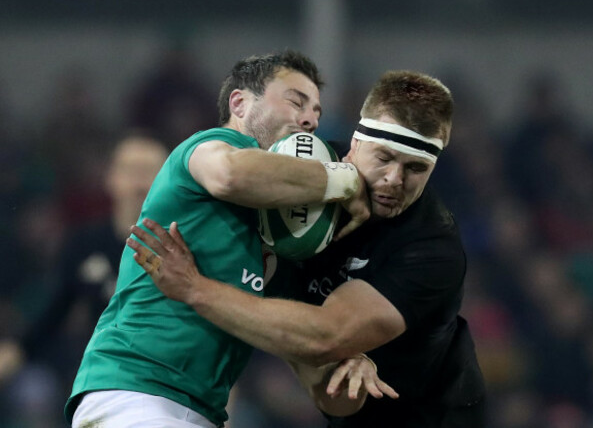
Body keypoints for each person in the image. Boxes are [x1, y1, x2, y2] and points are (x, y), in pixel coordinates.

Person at [128, 70, 487, 427]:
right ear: (356, 143)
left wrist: (195, 288)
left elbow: (326, 336)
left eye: (416, 168)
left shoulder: (431, 247)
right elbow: (229, 175)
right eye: (384, 158)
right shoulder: (304, 168)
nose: (395, 179)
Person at [65, 50, 394, 428]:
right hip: (134, 395)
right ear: (239, 103)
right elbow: (230, 175)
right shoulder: (206, 149)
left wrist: (345, 364)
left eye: (317, 113)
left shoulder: (285, 243)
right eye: (295, 101)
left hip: (201, 414)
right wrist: (344, 179)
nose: (310, 119)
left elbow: (320, 385)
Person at [0, 132, 168, 386]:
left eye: (149, 170)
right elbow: (55, 310)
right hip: (104, 379)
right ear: (111, 177)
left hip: (171, 379)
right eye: (131, 169)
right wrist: (16, 352)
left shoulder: (184, 246)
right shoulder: (85, 243)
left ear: (168, 180)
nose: (139, 181)